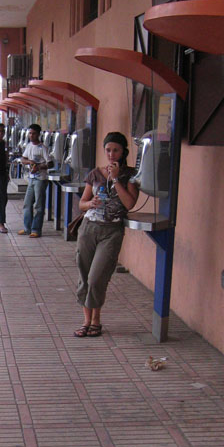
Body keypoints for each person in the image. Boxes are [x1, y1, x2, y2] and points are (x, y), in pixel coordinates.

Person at [74, 131, 139, 338]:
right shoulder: (95, 173)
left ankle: (96, 320)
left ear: (123, 152)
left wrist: (116, 179)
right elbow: (82, 203)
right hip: (89, 227)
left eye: (116, 150)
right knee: (84, 275)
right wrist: (90, 203)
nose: (111, 154)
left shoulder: (130, 174)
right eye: (108, 150)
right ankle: (86, 321)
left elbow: (130, 203)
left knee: (97, 277)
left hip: (111, 231)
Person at [18, 123, 51, 238]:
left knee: (39, 205)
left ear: (38, 134)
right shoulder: (29, 146)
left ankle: (36, 229)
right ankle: (27, 227)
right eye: (30, 133)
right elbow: (23, 159)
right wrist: (29, 163)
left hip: (40, 178)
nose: (31, 135)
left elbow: (49, 163)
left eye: (33, 133)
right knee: (27, 204)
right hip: (31, 178)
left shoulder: (43, 148)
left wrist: (39, 166)